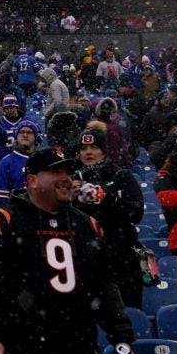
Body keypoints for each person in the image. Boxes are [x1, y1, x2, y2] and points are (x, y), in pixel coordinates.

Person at [0, 149, 136, 354]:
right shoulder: (5, 221)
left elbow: (105, 286)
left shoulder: (88, 225)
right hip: (21, 348)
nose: (66, 179)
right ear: (32, 180)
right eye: (56, 172)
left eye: (67, 172)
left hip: (79, 347)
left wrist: (121, 339)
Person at [71, 127, 145, 308]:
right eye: (83, 149)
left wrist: (106, 198)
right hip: (86, 261)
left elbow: (136, 213)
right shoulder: (71, 181)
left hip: (122, 260)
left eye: (94, 147)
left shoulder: (122, 176)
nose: (88, 152)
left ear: (103, 151)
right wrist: (68, 200)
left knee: (127, 313)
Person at [0, 118, 40, 206]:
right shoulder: (6, 162)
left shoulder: (43, 160)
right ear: (16, 137)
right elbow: (0, 199)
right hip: (15, 214)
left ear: (35, 137)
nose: (25, 135)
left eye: (29, 132)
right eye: (21, 132)